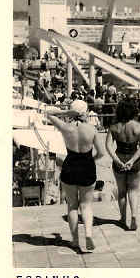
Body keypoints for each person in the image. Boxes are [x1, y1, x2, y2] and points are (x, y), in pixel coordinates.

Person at [47, 100, 105, 252]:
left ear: (72, 112)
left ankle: (75, 241)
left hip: (70, 167)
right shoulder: (92, 129)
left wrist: (66, 113)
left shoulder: (65, 127)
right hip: (87, 167)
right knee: (86, 205)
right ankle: (88, 234)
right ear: (85, 112)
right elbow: (101, 153)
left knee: (72, 206)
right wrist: (91, 160)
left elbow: (49, 113)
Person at [105, 99, 140, 231]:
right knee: (133, 191)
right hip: (134, 160)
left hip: (119, 158)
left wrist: (117, 160)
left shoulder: (114, 126)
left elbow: (108, 146)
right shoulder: (138, 127)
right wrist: (132, 160)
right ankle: (134, 216)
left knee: (122, 192)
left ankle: (123, 219)